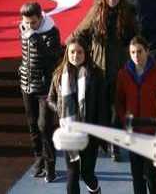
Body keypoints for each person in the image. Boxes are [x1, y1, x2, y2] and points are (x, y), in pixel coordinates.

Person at [73, 0, 136, 161]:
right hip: (98, 69)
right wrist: (80, 55)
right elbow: (80, 33)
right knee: (99, 108)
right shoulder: (96, 13)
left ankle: (114, 144)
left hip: (119, 70)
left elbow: (135, 39)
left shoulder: (127, 16)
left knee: (117, 109)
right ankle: (101, 141)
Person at [115, 36, 156, 194]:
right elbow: (119, 100)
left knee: (153, 177)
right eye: (132, 52)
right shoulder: (123, 75)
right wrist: (123, 119)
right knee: (137, 176)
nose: (136, 56)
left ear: (147, 51)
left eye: (139, 51)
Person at [48, 36, 105, 194]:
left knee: (87, 174)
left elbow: (102, 107)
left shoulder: (96, 75)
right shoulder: (59, 74)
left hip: (89, 133)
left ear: (86, 53)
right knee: (72, 174)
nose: (76, 55)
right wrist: (61, 112)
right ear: (67, 52)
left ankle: (95, 190)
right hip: (69, 132)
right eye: (72, 52)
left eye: (79, 52)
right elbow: (51, 99)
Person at [18, 1, 62, 183]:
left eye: (33, 23)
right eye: (26, 22)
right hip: (27, 84)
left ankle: (50, 166)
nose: (29, 26)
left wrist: (35, 38)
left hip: (45, 87)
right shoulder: (23, 28)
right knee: (32, 125)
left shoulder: (52, 32)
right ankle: (39, 160)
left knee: (45, 126)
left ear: (41, 18)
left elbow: (53, 57)